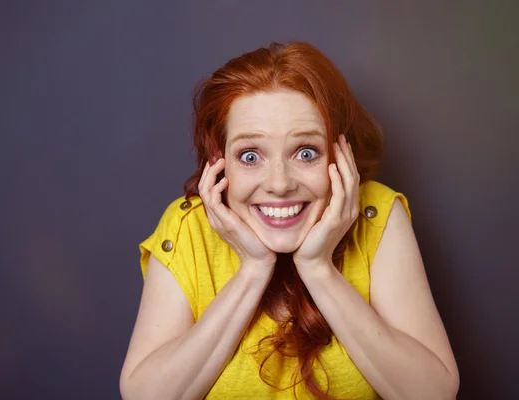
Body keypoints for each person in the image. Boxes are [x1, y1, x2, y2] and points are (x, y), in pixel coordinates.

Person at [119, 42, 459, 400]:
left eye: (306, 152)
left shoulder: (376, 213)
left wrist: (318, 267)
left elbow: (433, 394)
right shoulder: (187, 228)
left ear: (339, 154)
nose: (279, 184)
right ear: (219, 162)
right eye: (250, 156)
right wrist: (252, 269)